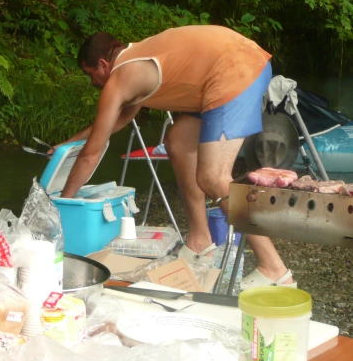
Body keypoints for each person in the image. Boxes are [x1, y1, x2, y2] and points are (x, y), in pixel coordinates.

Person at [56, 25, 295, 290]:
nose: (93, 83)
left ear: (103, 64)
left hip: (237, 69)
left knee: (213, 177)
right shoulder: (135, 60)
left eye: (91, 75)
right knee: (178, 143)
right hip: (226, 67)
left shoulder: (121, 77)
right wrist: (67, 144)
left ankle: (275, 269)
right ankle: (200, 244)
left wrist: (63, 203)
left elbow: (92, 153)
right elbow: (119, 120)